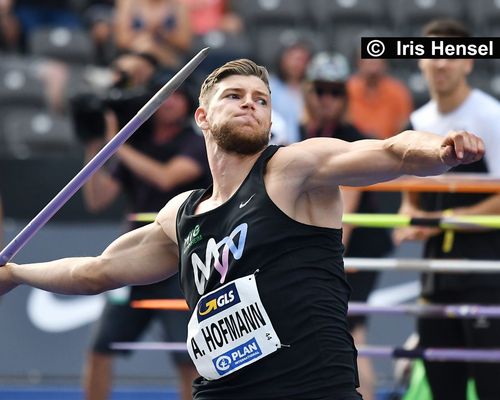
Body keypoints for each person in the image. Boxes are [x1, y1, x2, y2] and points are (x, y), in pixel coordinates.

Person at [0, 58, 484, 400]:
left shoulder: (293, 169)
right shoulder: (180, 215)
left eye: (261, 100)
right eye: (234, 96)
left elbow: (391, 151)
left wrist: (441, 149)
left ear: (272, 119)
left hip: (310, 391)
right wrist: (18, 274)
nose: (250, 104)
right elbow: (95, 271)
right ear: (202, 117)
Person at [76, 52, 207, 400]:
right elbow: (97, 199)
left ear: (188, 101)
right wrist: (95, 146)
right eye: (163, 95)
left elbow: (166, 178)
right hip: (134, 256)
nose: (170, 102)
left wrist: (115, 142)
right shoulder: (136, 143)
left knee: (190, 360)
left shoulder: (196, 143)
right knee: (100, 349)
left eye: (177, 95)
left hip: (179, 260)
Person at [394, 19, 500, 400]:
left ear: (469, 63)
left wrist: (440, 222)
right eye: (432, 55)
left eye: (451, 55)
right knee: (443, 388)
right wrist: (410, 218)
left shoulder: (492, 116)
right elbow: (410, 194)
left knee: (492, 387)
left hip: (488, 276)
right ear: (420, 64)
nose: (440, 63)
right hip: (434, 279)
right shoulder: (417, 123)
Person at [301, 51, 393, 400]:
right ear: (308, 92)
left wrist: (330, 256)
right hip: (332, 244)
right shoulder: (306, 132)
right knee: (335, 332)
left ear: (345, 97)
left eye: (335, 92)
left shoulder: (350, 136)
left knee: (352, 332)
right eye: (320, 90)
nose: (327, 99)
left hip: (353, 246)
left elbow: (348, 206)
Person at [347, 55, 413, 140]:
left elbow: (404, 126)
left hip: (388, 147)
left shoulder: (398, 91)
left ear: (385, 64)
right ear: (359, 63)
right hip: (353, 146)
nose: (373, 67)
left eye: (376, 61)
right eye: (368, 61)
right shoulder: (348, 90)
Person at [114, 0, 192, 69]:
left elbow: (184, 43)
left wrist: (163, 33)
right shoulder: (129, 3)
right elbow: (122, 40)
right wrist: (147, 32)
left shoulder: (177, 6)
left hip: (167, 59)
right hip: (135, 54)